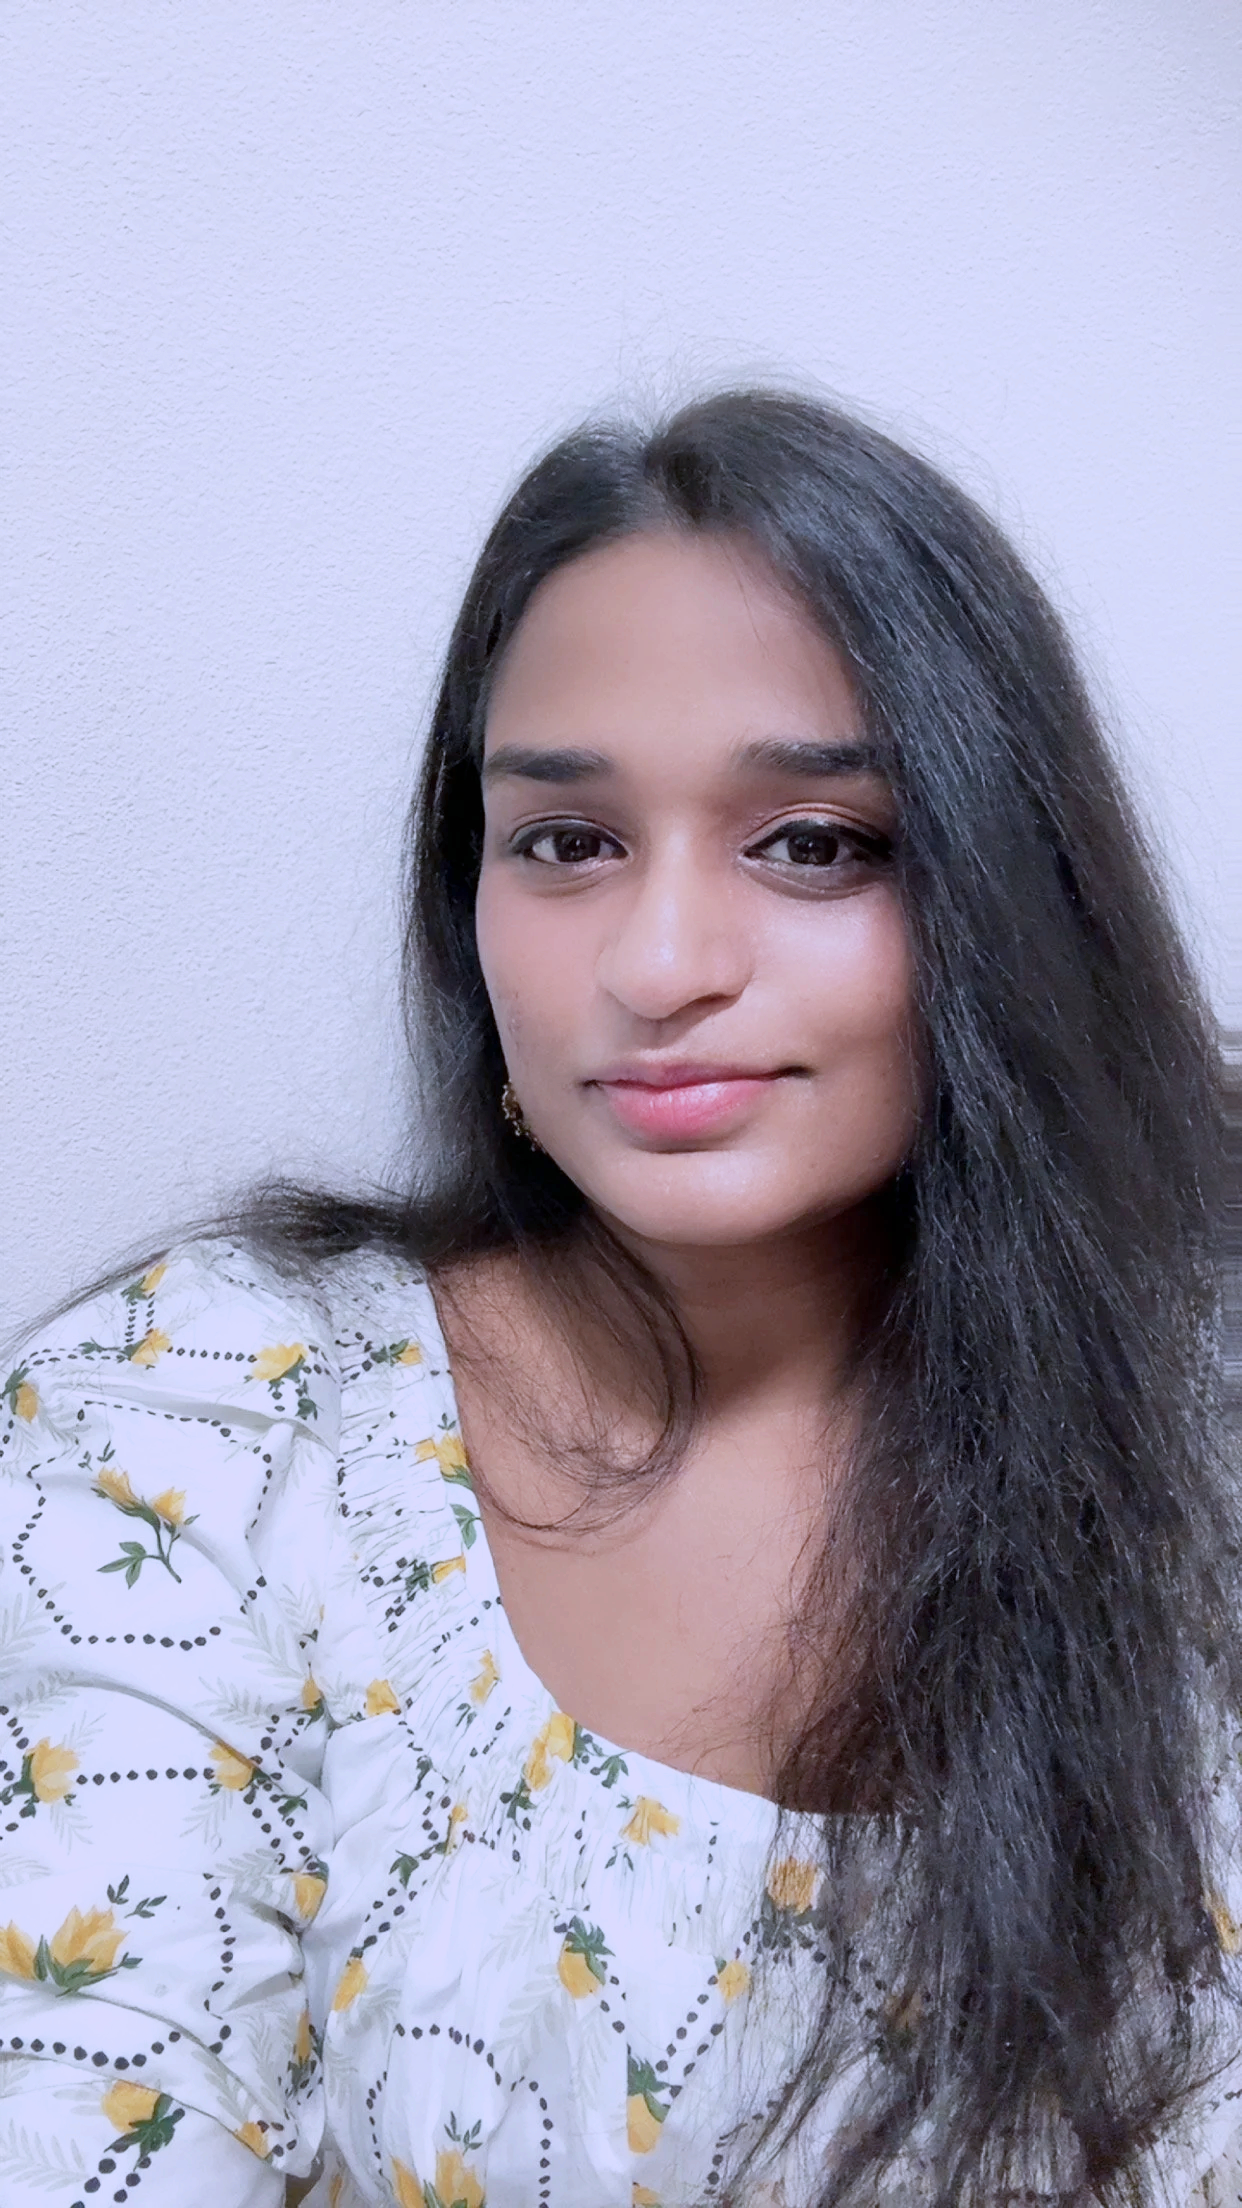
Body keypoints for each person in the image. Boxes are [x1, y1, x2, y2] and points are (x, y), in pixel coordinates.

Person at [1, 388, 1239, 2208]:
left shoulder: (1204, 1427)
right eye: (567, 845)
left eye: (812, 840)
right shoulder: (204, 1427)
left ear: (1005, 888)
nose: (659, 968)